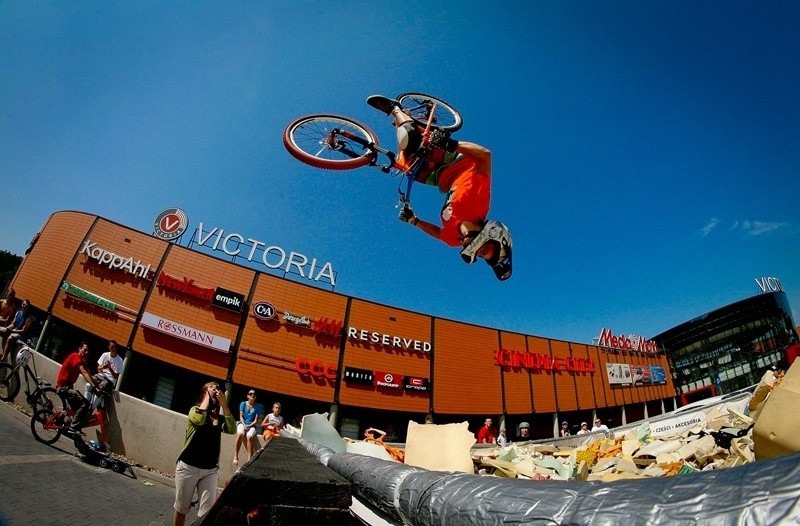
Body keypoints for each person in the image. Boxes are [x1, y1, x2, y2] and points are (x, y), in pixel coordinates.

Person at [367, 94, 513, 281]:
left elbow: (438, 234)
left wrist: (415, 221)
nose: (483, 254)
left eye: (484, 257)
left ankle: (358, 149)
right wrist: (452, 144)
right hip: (455, 161)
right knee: (411, 139)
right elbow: (485, 156)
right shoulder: (480, 203)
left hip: (439, 178)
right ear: (496, 236)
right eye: (490, 251)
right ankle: (394, 108)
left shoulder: (454, 239)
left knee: (404, 167)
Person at [173, 381, 235, 526]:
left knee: (207, 513)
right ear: (203, 393)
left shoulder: (219, 419)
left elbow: (232, 429)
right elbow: (199, 420)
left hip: (210, 471)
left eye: (216, 388)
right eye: (211, 387)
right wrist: (207, 398)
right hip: (188, 467)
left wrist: (224, 405)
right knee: (182, 508)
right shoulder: (194, 410)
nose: (215, 389)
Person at [55, 341, 101, 436]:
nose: (86, 352)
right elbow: (84, 373)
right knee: (85, 404)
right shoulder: (75, 357)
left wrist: (98, 387)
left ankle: (65, 422)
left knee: (78, 409)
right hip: (63, 387)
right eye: (85, 350)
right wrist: (93, 387)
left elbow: (89, 375)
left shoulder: (82, 361)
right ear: (79, 349)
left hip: (69, 386)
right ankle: (73, 427)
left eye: (88, 351)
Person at [233, 389, 263, 466]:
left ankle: (249, 459)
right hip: (242, 423)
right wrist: (244, 425)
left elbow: (256, 420)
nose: (252, 395)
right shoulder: (243, 404)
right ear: (247, 396)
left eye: (254, 394)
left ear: (255, 397)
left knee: (249, 437)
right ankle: (236, 456)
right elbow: (241, 416)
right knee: (240, 434)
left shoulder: (257, 407)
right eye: (250, 394)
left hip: (252, 425)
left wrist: (249, 426)